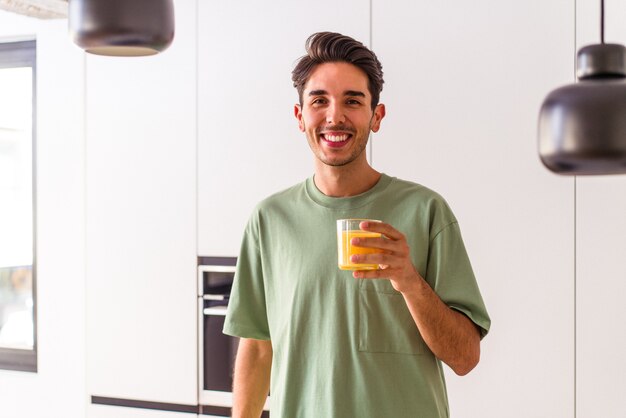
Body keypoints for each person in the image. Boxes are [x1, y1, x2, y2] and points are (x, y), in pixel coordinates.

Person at [223, 31, 491, 418]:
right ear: (300, 117)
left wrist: (409, 282)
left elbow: (465, 358)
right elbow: (258, 347)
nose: (335, 116)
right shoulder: (269, 219)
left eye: (353, 100)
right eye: (319, 101)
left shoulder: (426, 210)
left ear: (376, 116)